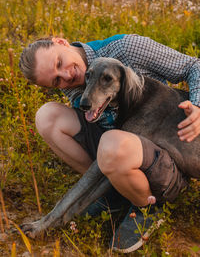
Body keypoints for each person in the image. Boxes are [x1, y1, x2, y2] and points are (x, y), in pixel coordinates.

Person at [19, 34, 200, 253]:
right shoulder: (73, 82)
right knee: (48, 117)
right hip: (122, 148)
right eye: (56, 81)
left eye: (59, 62)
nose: (66, 75)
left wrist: (198, 106)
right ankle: (117, 194)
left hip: (164, 159)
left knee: (112, 143)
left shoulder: (127, 48)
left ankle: (147, 208)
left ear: (61, 42)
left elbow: (194, 65)